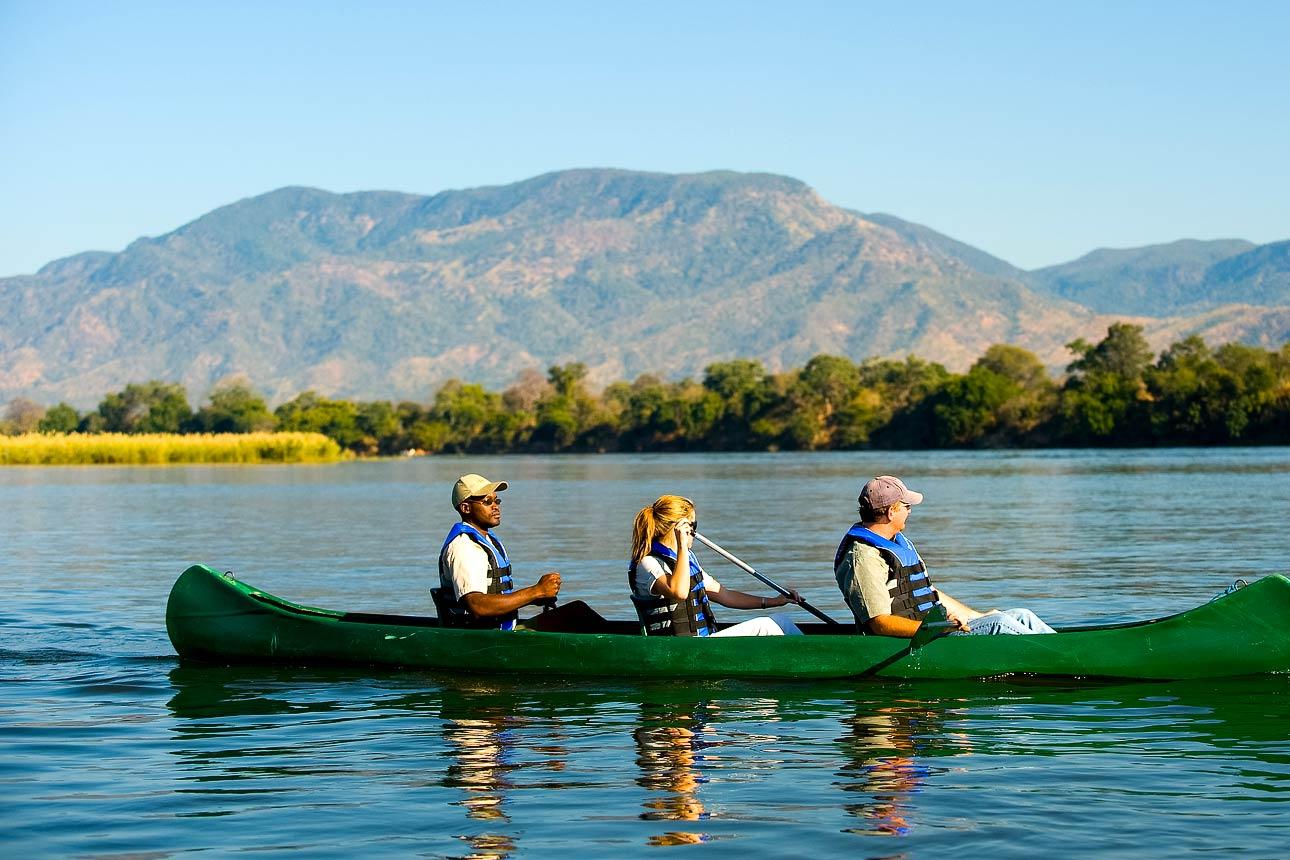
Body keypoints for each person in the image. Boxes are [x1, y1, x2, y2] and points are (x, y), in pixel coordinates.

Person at [834, 475, 1055, 637]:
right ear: (891, 511)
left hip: (933, 629)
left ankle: (1070, 648)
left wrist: (976, 616)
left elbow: (928, 594)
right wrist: (939, 628)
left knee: (1020, 615)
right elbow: (879, 624)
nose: (910, 511)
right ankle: (1064, 658)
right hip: (915, 641)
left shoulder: (896, 543)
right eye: (907, 506)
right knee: (999, 624)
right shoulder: (863, 557)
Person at [628, 494, 805, 637]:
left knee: (779, 620)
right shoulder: (648, 563)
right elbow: (679, 592)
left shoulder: (687, 558)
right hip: (679, 649)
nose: (695, 531)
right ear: (679, 528)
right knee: (773, 624)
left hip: (704, 643)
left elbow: (725, 596)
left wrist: (775, 601)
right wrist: (682, 545)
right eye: (693, 525)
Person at [439, 473, 586, 631]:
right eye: (487, 502)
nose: (496, 506)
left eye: (497, 500)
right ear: (466, 508)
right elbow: (478, 605)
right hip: (484, 639)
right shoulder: (465, 547)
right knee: (579, 619)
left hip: (502, 631)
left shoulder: (487, 540)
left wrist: (536, 597)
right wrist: (536, 592)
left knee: (578, 613)